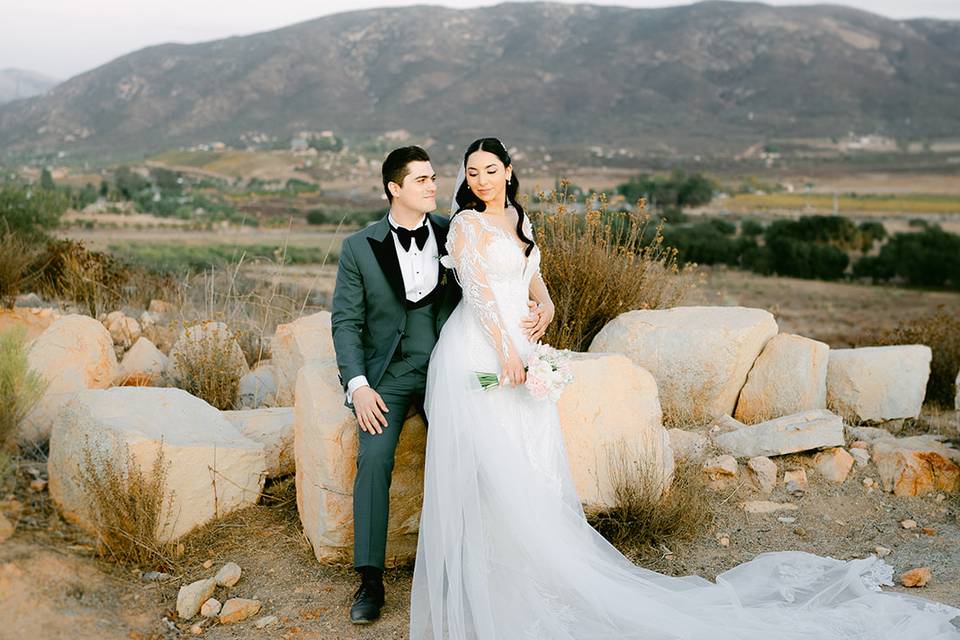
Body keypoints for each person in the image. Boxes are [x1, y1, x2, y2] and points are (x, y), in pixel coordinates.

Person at [409, 137, 960, 639]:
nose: (480, 180)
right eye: (471, 172)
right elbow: (479, 290)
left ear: (508, 171)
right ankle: (487, 586)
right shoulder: (466, 225)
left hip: (524, 348)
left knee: (529, 463)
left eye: (489, 170)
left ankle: (530, 570)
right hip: (481, 352)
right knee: (492, 465)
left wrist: (548, 306)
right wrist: (508, 353)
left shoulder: (518, 219)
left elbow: (531, 275)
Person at [331, 145, 547, 624]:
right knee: (374, 457)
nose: (435, 186)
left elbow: (505, 275)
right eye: (422, 180)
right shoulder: (359, 248)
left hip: (448, 368)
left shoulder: (458, 231)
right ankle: (370, 579)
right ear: (395, 188)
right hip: (386, 375)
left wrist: (542, 306)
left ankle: (475, 564)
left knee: (476, 450)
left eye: (434, 178)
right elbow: (345, 322)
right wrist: (359, 385)